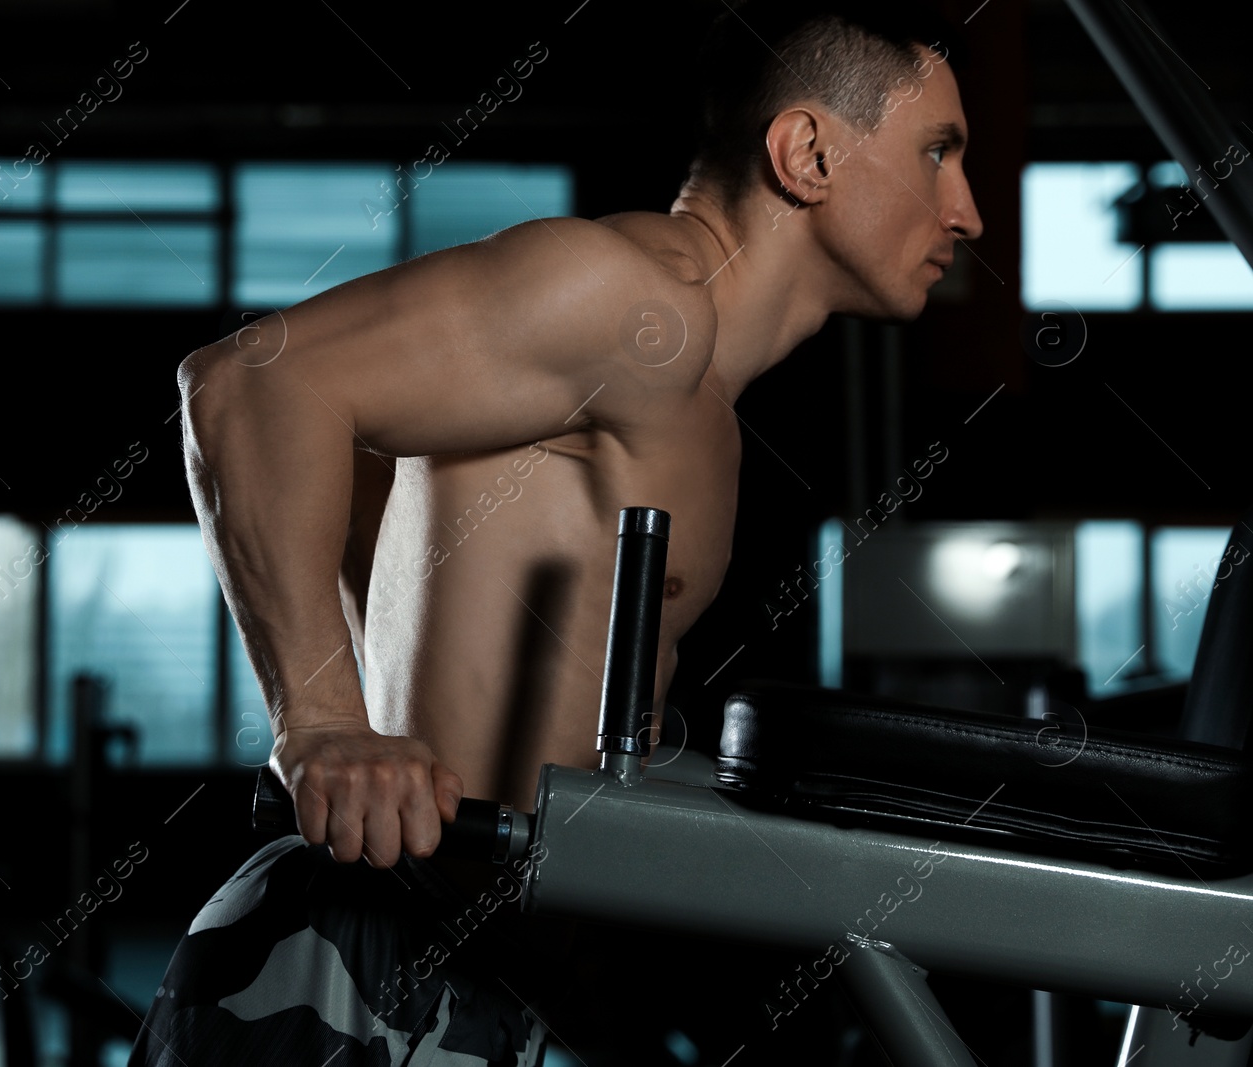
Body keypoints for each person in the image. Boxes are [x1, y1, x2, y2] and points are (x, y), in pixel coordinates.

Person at [129, 1, 982, 1063]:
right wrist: (327, 723)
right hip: (371, 960)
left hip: (498, 971)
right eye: (937, 153)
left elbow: (361, 451)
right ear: (806, 153)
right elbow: (250, 386)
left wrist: (389, 679)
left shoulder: (700, 396)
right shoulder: (633, 303)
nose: (967, 211)